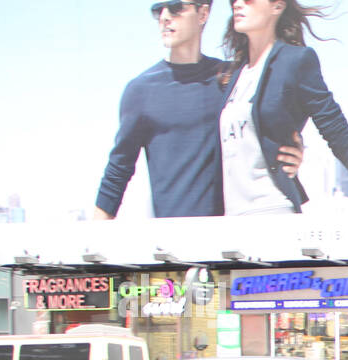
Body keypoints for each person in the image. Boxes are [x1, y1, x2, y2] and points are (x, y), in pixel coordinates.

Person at [95, 1, 303, 219]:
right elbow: (118, 171)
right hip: (175, 240)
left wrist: (294, 146)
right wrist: (94, 239)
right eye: (158, 10)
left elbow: (273, 123)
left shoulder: (232, 79)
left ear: (203, 13)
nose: (165, 17)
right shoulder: (141, 90)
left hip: (237, 232)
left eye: (175, 7)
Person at [219, 0, 348, 215]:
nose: (237, 4)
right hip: (230, 219)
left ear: (277, 6)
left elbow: (340, 137)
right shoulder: (232, 76)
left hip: (271, 210)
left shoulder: (295, 61)